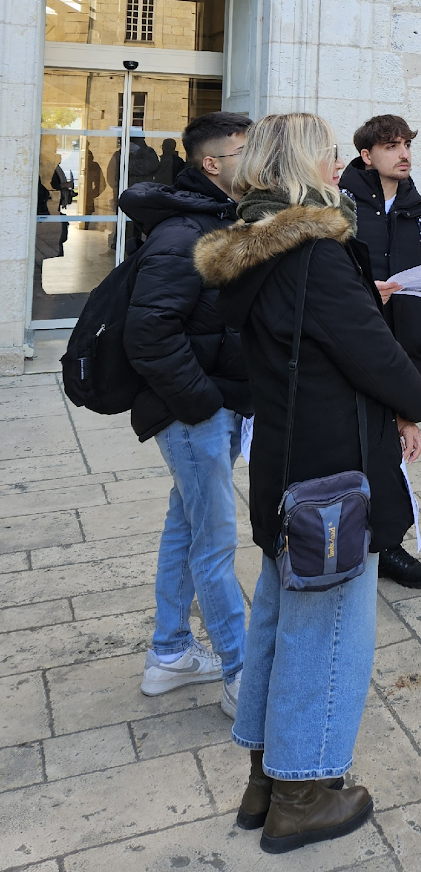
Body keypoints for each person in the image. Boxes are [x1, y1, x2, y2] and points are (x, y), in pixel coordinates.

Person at [195, 112, 421, 853]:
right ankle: (302, 794)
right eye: (328, 156)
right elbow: (373, 354)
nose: (339, 167)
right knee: (327, 631)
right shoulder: (315, 255)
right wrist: (413, 401)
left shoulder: (256, 251)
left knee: (278, 618)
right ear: (303, 164)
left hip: (287, 463)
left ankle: (267, 780)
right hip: (333, 470)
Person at [120, 111, 254, 715]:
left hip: (208, 405)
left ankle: (169, 652)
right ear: (213, 163)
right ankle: (241, 673)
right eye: (244, 150)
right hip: (192, 412)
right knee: (215, 543)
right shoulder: (183, 235)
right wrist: (205, 405)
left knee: (188, 527)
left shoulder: (218, 220)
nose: (254, 160)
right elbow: (147, 334)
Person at [340, 112, 421, 589]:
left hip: (406, 348)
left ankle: (388, 545)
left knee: (393, 449)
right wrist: (370, 296)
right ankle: (340, 542)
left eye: (407, 144)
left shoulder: (418, 210)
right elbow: (332, 281)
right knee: (351, 449)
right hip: (354, 350)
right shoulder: (338, 208)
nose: (404, 153)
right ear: (367, 155)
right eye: (392, 146)